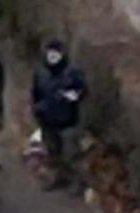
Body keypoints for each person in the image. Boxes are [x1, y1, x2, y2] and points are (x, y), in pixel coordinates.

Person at [30, 39, 88, 188]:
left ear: (62, 54)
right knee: (53, 154)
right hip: (47, 119)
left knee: (71, 155)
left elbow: (83, 90)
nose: (53, 56)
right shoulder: (40, 71)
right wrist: (37, 109)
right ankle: (58, 178)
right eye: (50, 53)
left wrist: (75, 96)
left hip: (67, 120)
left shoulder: (73, 71)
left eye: (56, 53)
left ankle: (77, 182)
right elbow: (35, 93)